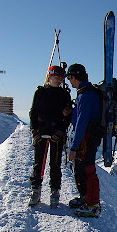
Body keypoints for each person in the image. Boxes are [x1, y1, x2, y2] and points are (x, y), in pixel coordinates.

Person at [28, 65, 73, 206]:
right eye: (56, 77)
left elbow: (68, 116)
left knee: (55, 164)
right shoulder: (40, 93)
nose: (59, 80)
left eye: (61, 78)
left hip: (56, 134)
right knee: (38, 163)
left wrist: (60, 131)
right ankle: (36, 191)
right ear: (49, 76)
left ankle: (54, 191)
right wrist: (34, 130)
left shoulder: (64, 94)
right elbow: (33, 113)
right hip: (41, 132)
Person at [66, 63, 103, 217]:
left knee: (88, 168)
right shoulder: (85, 93)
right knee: (81, 167)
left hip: (88, 137)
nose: (69, 81)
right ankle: (86, 197)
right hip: (89, 136)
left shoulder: (86, 95)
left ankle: (93, 205)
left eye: (70, 78)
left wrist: (73, 148)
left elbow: (82, 123)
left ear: (75, 77)